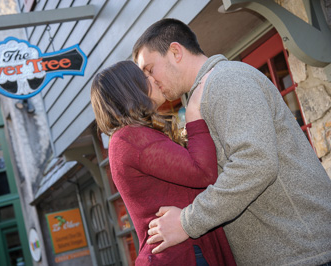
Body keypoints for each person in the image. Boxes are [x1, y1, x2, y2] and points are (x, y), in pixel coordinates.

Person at [132, 18, 331, 266]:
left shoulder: (226, 81)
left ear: (175, 52)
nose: (148, 81)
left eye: (149, 70)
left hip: (303, 254)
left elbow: (255, 163)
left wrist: (187, 222)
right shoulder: (203, 94)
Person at [90, 60, 236, 265]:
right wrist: (194, 116)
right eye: (144, 76)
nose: (153, 79)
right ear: (131, 90)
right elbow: (203, 172)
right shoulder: (131, 138)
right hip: (184, 255)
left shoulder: (130, 137)